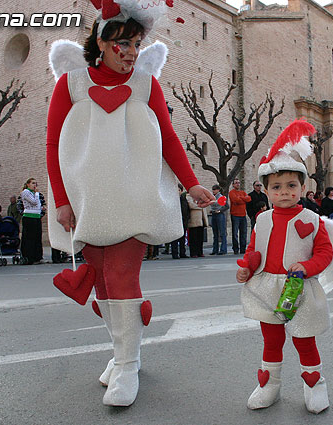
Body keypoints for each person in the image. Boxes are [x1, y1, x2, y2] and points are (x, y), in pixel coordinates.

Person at [46, 1, 215, 406]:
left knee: (121, 276)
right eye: (123, 43)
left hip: (134, 196)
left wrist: (192, 184)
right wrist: (63, 201)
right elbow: (52, 144)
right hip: (87, 199)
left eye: (137, 44)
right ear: (101, 42)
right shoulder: (69, 84)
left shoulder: (146, 84)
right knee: (102, 282)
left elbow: (169, 138)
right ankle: (123, 353)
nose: (131, 52)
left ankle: (127, 363)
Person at [235, 120, 333, 414]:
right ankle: (269, 386)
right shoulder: (261, 220)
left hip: (300, 289)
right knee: (271, 340)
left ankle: (314, 386)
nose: (284, 192)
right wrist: (247, 266)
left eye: (291, 186)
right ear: (266, 190)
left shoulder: (312, 220)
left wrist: (308, 266)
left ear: (302, 187)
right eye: (276, 187)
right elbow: (254, 251)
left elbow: (324, 252)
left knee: (304, 339)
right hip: (266, 287)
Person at [20, 178, 44, 264]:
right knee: (30, 238)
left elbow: (38, 204)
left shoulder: (34, 193)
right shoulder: (25, 192)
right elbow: (33, 202)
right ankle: (29, 257)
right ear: (28, 184)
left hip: (37, 216)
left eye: (36, 183)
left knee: (37, 237)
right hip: (29, 217)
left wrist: (41, 208)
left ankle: (37, 257)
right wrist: (37, 193)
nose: (35, 185)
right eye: (33, 183)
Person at [229, 178, 251, 255]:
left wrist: (241, 198)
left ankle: (243, 249)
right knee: (235, 233)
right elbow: (235, 200)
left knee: (243, 233)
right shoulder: (231, 192)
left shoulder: (242, 192)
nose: (238, 184)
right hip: (235, 215)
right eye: (236, 183)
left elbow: (249, 199)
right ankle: (235, 249)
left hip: (243, 215)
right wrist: (243, 199)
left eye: (238, 183)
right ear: (233, 185)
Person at [171, 184, 190, 259]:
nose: (177, 192)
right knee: (175, 239)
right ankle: (175, 253)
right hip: (175, 221)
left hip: (183, 221)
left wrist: (186, 218)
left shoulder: (184, 199)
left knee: (182, 238)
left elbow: (187, 210)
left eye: (179, 190)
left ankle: (182, 253)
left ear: (181, 191)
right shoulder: (172, 200)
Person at [210, 185, 228, 255]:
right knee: (215, 233)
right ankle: (215, 250)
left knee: (222, 233)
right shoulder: (212, 197)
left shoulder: (221, 197)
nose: (213, 191)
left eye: (214, 189)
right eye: (213, 189)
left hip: (220, 215)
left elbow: (226, 206)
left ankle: (223, 249)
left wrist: (220, 210)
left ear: (218, 190)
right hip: (213, 214)